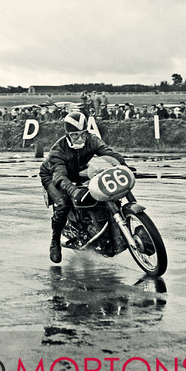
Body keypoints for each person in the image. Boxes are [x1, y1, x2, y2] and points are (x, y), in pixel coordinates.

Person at [38, 112, 129, 264]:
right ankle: (55, 242)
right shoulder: (58, 151)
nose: (80, 138)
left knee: (101, 190)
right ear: (67, 134)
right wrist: (74, 191)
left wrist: (123, 166)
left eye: (83, 134)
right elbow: (60, 177)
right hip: (52, 175)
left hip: (77, 171)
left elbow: (109, 154)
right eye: (75, 135)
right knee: (64, 203)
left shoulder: (92, 140)